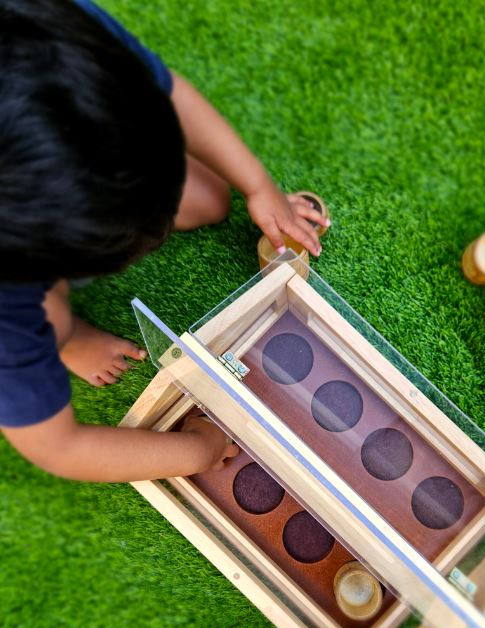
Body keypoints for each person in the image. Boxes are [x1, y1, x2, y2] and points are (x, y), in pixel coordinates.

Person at [0, 0, 329, 482]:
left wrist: (257, 185)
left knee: (209, 199)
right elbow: (59, 448)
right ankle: (66, 335)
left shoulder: (52, 39)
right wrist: (198, 449)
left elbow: (168, 90)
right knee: (46, 318)